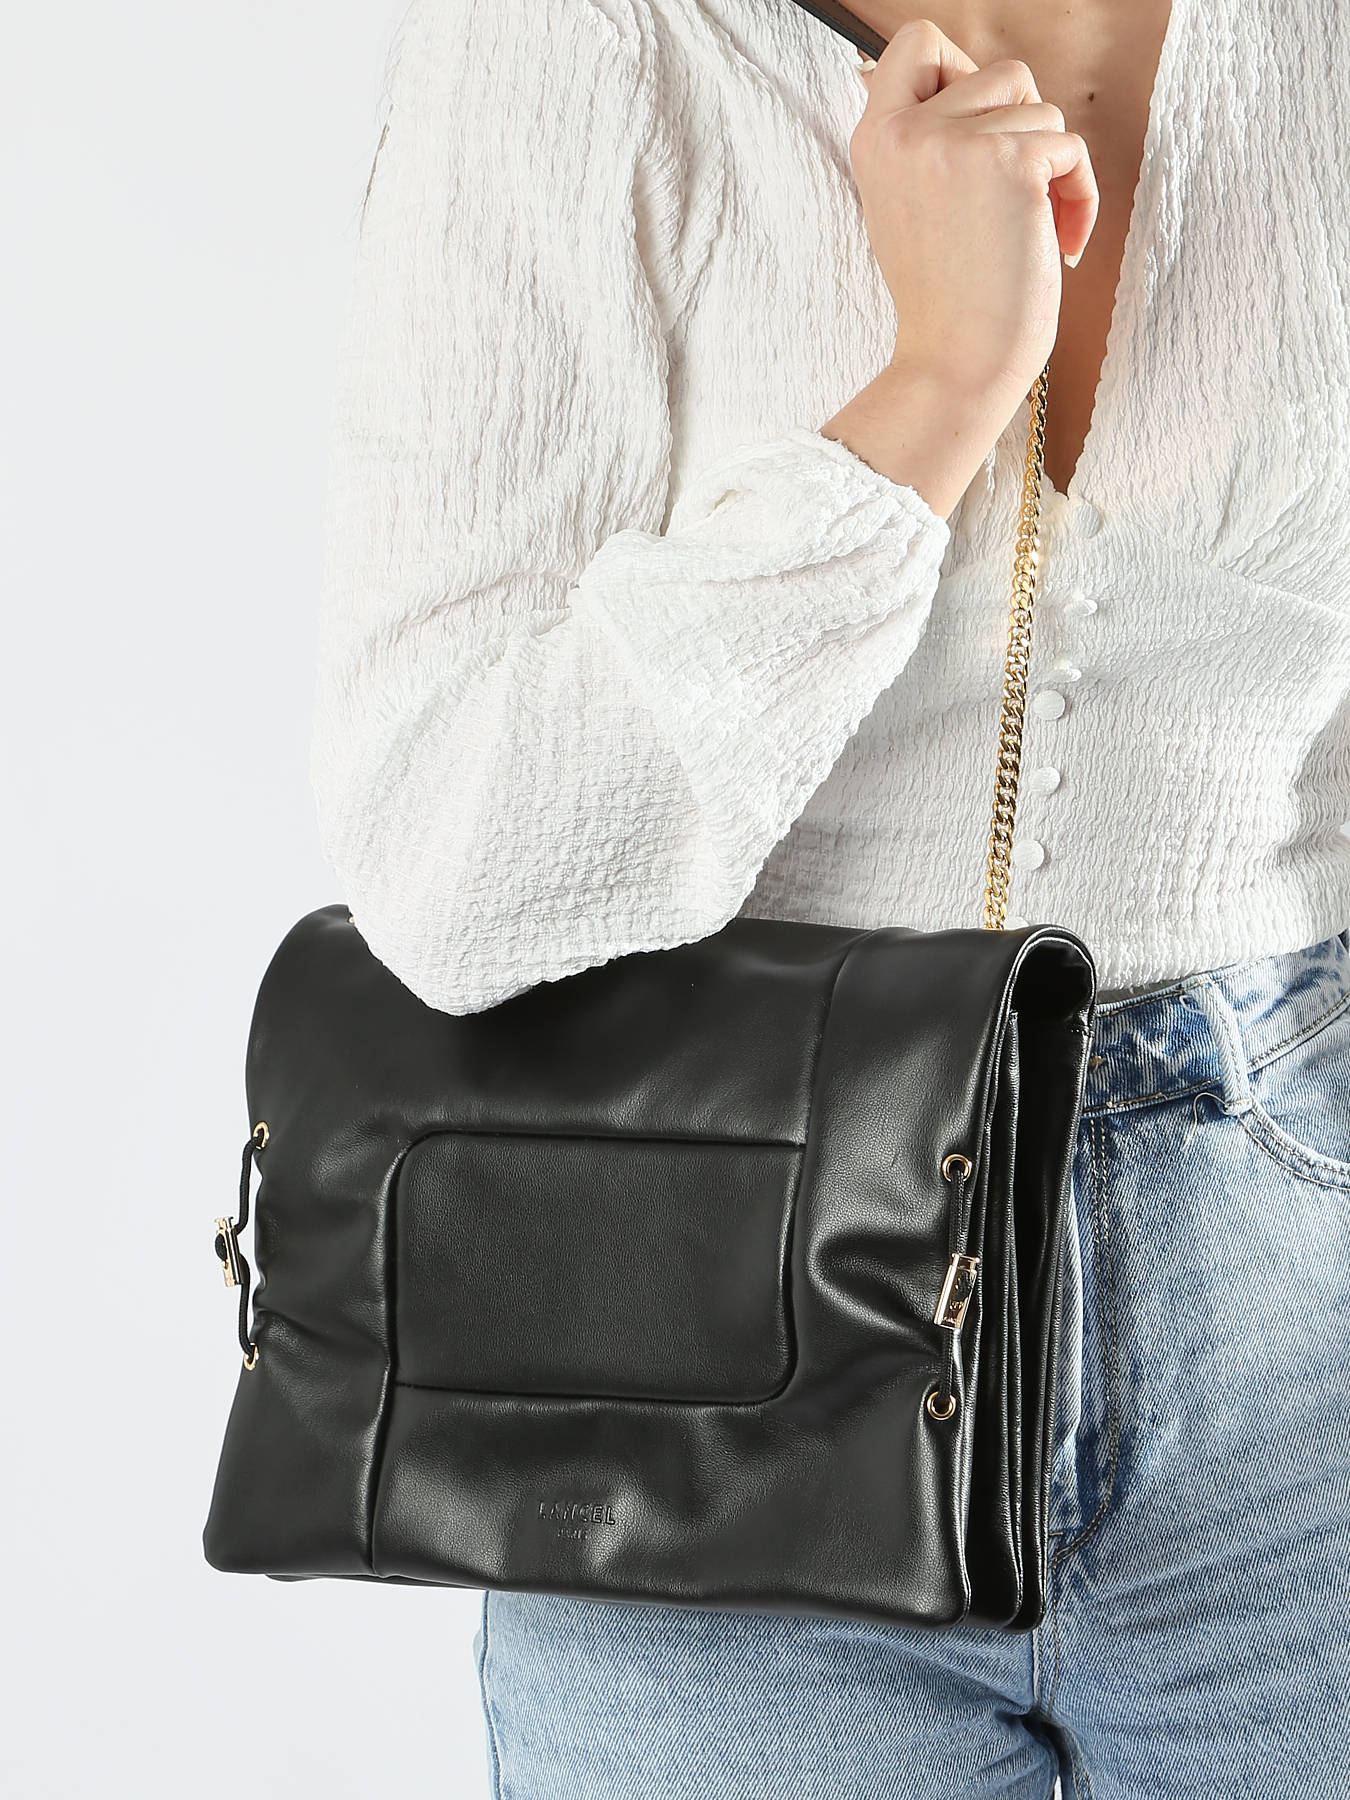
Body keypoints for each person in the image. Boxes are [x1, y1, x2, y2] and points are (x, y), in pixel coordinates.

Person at [309, 0, 1350, 1792]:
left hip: (1302, 1356)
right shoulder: (584, 43)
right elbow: (449, 865)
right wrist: (931, 393)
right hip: (709, 1359)